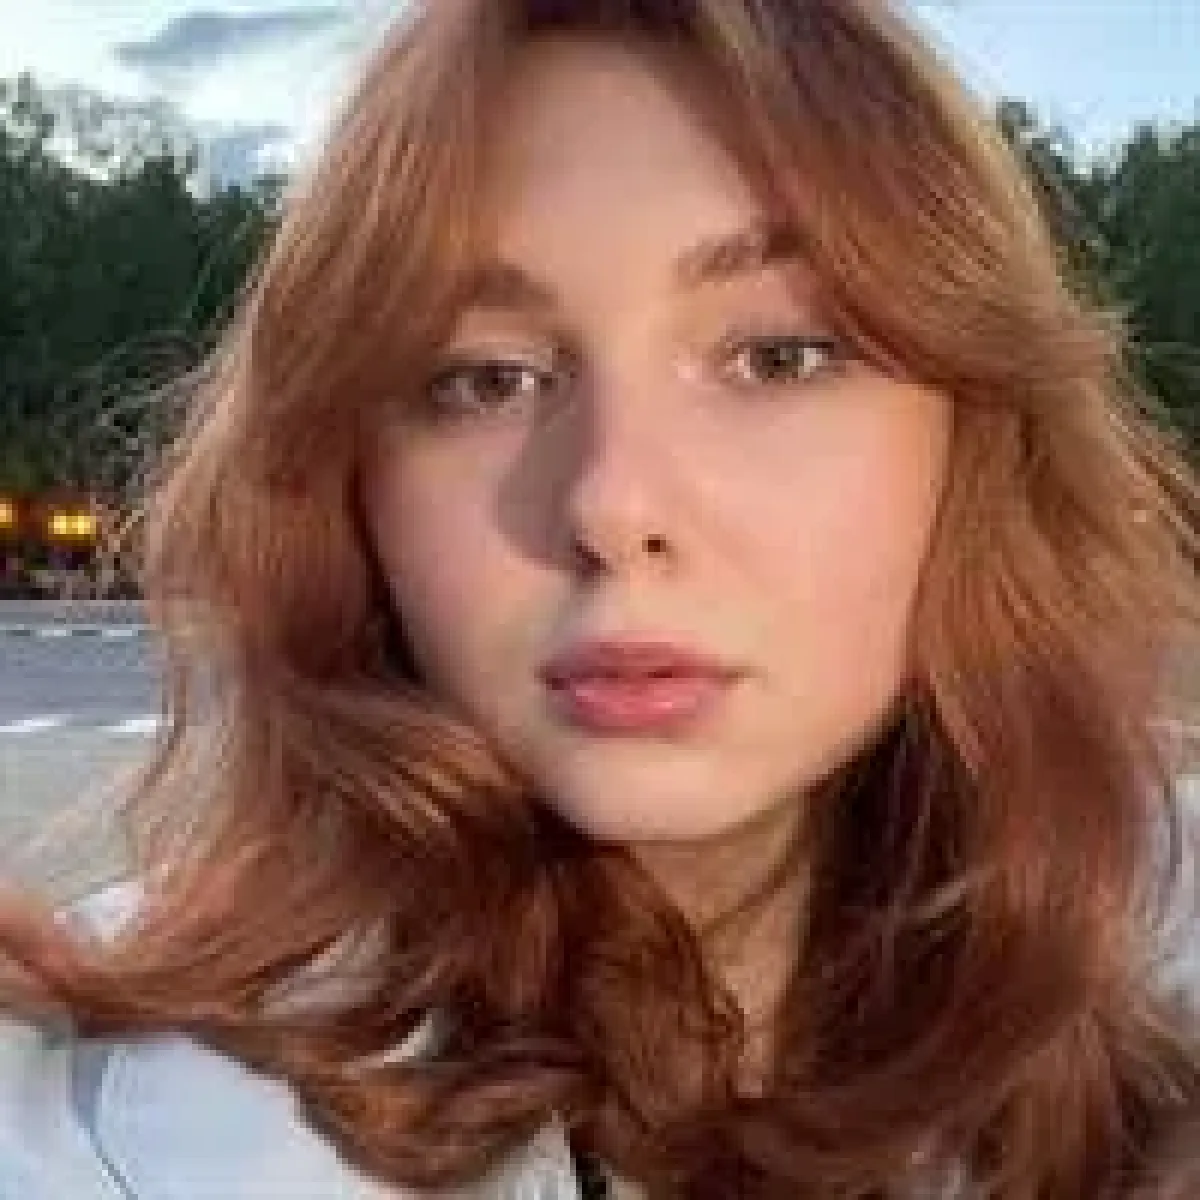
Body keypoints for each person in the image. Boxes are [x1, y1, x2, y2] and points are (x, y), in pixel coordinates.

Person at [0, 0, 1197, 1195]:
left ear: (977, 438)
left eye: (777, 357)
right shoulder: (109, 1139)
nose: (612, 504)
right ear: (350, 481)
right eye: (486, 378)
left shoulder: (1152, 987)